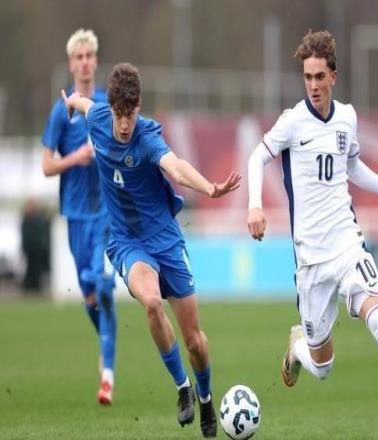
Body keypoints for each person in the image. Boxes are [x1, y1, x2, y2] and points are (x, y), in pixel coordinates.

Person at [247, 30, 378, 440]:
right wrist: (254, 204)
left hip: (347, 245)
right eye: (307, 77)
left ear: (334, 77)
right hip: (310, 261)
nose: (313, 85)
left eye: (320, 77)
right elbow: (256, 158)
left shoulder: (347, 118)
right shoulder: (292, 122)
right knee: (322, 367)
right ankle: (297, 348)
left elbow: (352, 165)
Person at [62, 62, 241, 438]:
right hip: (127, 243)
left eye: (130, 114)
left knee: (195, 340)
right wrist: (72, 102)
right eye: (119, 114)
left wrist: (209, 188)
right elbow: (83, 103)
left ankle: (206, 396)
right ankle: (182, 387)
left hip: (166, 241)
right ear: (111, 107)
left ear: (138, 106)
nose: (124, 123)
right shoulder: (98, 118)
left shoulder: (147, 138)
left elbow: (175, 167)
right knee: (152, 303)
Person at [41, 29, 117, 405]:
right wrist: (75, 158)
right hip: (75, 213)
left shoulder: (105, 104)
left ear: (95, 61)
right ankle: (106, 340)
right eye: (79, 57)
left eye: (90, 56)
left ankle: (108, 373)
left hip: (105, 210)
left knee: (102, 284)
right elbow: (46, 166)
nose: (85, 62)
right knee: (88, 293)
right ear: (71, 64)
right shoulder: (61, 111)